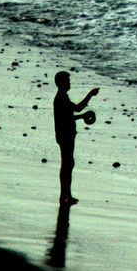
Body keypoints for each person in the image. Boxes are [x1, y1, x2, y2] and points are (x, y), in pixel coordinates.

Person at [53, 71, 99, 205]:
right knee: (67, 164)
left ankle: (66, 195)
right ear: (61, 83)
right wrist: (83, 115)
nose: (69, 83)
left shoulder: (62, 97)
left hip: (65, 134)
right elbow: (68, 117)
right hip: (65, 135)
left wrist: (90, 96)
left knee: (68, 164)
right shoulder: (61, 98)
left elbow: (77, 109)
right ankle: (65, 195)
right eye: (67, 81)